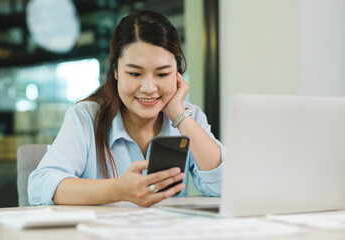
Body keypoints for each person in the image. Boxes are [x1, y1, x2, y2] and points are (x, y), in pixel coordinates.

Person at [28, 10, 225, 207]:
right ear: (115, 71)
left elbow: (225, 186)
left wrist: (179, 116)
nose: (149, 88)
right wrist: (118, 189)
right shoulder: (86, 117)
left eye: (162, 74)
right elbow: (41, 186)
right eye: (135, 73)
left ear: (178, 74)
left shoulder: (189, 117)